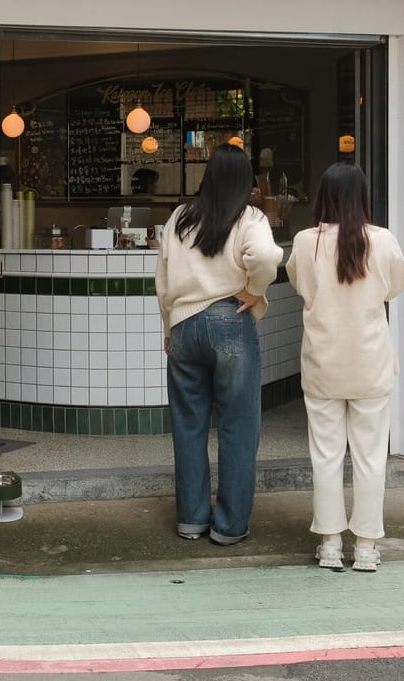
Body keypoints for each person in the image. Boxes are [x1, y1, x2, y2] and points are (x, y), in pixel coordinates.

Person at [285, 163, 404, 572]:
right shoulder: (382, 240)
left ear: (324, 196)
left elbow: (300, 285)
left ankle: (330, 545)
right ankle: (368, 548)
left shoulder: (307, 243)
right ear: (362, 198)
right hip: (370, 363)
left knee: (325, 456)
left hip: (323, 362)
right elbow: (396, 286)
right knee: (370, 458)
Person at [155, 143, 283, 545]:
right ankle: (228, 526)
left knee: (188, 425)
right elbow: (265, 255)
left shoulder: (180, 216)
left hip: (184, 326)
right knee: (237, 426)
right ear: (245, 181)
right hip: (231, 320)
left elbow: (162, 279)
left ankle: (191, 519)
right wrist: (255, 290)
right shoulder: (250, 217)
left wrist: (168, 324)